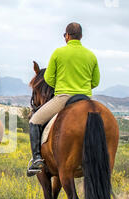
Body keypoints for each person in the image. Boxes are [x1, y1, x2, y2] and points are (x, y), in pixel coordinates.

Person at [27, 22, 101, 176]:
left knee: (34, 120)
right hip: (85, 99)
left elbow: (48, 79)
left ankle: (36, 159)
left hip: (64, 98)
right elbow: (95, 82)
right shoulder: (91, 55)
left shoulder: (58, 53)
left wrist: (62, 85)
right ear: (81, 36)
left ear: (67, 36)